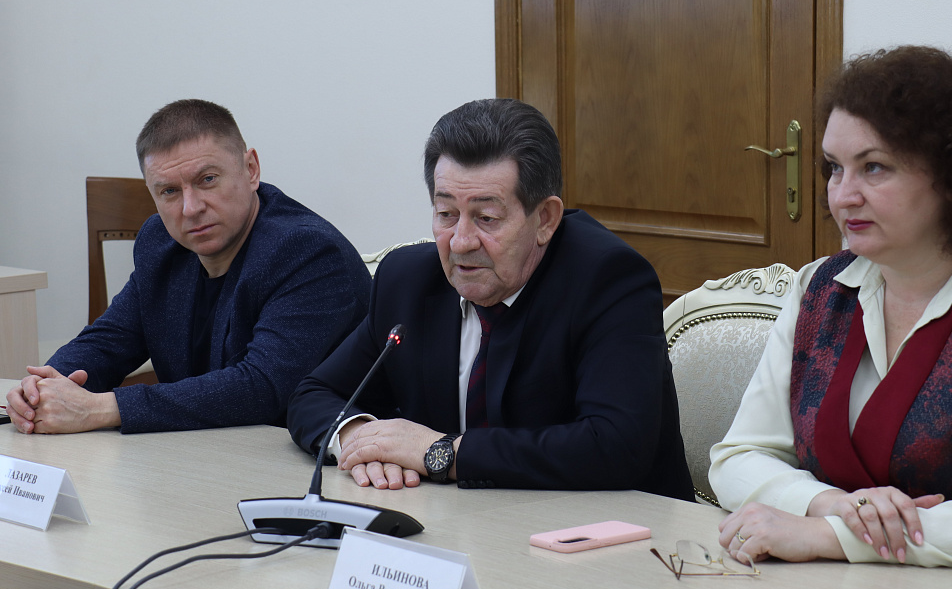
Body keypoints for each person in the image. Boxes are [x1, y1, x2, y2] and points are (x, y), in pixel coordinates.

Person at [709, 46, 952, 577]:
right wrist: (827, 504)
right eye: (834, 169)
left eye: (874, 167)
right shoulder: (819, 288)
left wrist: (830, 535)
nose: (843, 196)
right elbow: (738, 457)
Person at [287, 98, 693, 499]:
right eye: (446, 214)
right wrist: (361, 440)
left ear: (545, 219)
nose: (461, 242)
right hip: (453, 522)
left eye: (486, 218)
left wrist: (440, 453)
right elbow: (313, 395)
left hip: (608, 530)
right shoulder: (407, 281)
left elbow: (614, 445)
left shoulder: (609, 281)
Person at [5, 99, 370, 434]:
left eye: (207, 180)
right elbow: (111, 339)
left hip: (308, 462)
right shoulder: (161, 243)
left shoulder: (307, 251)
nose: (191, 208)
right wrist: (44, 387)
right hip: (199, 453)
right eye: (169, 191)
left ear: (250, 169)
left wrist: (102, 408)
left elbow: (261, 387)